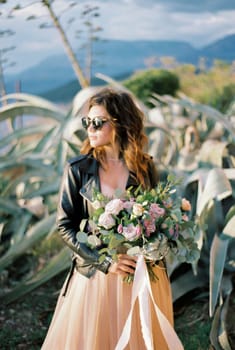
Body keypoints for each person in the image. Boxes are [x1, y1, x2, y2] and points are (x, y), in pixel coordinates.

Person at [42, 87, 175, 350]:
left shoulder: (144, 168)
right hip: (96, 278)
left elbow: (157, 218)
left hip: (139, 276)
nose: (89, 128)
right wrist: (106, 261)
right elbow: (65, 225)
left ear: (120, 124)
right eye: (87, 122)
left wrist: (155, 244)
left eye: (98, 122)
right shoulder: (78, 169)